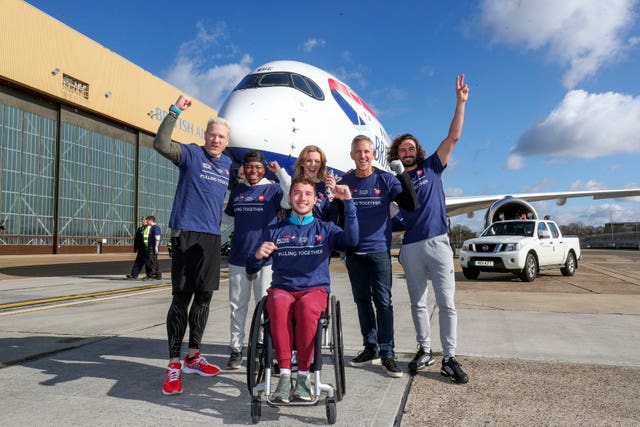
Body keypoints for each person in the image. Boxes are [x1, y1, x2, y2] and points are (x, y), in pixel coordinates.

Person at [386, 74, 470, 384]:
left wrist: (460, 102)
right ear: (396, 155)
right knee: (417, 302)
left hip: (437, 242)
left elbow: (454, 137)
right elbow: (388, 214)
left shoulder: (433, 166)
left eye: (410, 148)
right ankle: (425, 350)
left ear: (417, 151)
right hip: (410, 247)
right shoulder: (394, 182)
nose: (406, 152)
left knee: (446, 303)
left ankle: (449, 357)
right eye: (402, 149)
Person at [246, 177, 358, 403]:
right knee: (276, 302)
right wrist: (257, 255)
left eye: (308, 194)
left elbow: (351, 241)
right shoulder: (274, 229)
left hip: (313, 290)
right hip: (283, 289)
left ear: (316, 199)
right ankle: (285, 375)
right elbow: (251, 266)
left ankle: (305, 377)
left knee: (307, 307)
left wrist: (349, 204)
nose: (302, 198)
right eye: (297, 193)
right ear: (290, 198)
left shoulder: (325, 228)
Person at [153, 94, 232, 395]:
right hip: (186, 233)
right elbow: (161, 144)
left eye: (221, 137)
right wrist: (174, 112)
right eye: (212, 134)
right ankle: (174, 363)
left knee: (204, 299)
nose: (215, 139)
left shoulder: (227, 165)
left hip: (211, 238)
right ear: (205, 135)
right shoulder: (191, 155)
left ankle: (193, 356)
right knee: (181, 299)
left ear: (227, 141)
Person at [339, 135, 417, 378]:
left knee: (383, 302)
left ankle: (388, 352)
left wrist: (402, 174)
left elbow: (410, 204)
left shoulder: (384, 179)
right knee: (362, 302)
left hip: (379, 252)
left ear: (373, 155)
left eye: (366, 152)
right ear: (351, 155)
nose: (362, 156)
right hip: (354, 254)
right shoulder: (345, 181)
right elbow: (336, 214)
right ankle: (370, 347)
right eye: (358, 152)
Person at [224, 150, 285, 370]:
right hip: (238, 258)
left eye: (258, 167)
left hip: (265, 260)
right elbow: (228, 217)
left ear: (264, 168)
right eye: (249, 167)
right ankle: (236, 349)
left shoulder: (273, 189)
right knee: (237, 306)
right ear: (244, 168)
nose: (253, 171)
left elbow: (289, 198)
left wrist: (281, 173)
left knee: (265, 307)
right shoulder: (238, 191)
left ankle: (262, 347)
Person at [266, 145, 338, 221]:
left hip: (318, 231)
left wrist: (333, 195)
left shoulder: (327, 188)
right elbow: (286, 203)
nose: (313, 164)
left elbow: (333, 217)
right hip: (292, 231)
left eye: (317, 161)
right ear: (302, 163)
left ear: (321, 165)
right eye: (308, 161)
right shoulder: (292, 185)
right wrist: (280, 173)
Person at [143, 215, 162, 280]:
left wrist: (156, 247)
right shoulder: (152, 228)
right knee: (155, 261)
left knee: (151, 262)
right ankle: (158, 275)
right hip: (151, 247)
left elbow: (157, 237)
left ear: (151, 220)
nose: (147, 222)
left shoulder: (155, 228)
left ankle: (151, 275)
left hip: (152, 247)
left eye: (147, 220)